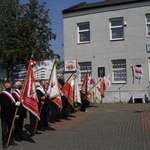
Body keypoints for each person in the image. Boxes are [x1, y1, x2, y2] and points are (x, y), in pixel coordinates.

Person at [0, 81, 20, 149]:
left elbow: (14, 102)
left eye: (10, 86)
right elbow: (5, 104)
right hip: (5, 115)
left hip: (11, 114)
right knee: (4, 130)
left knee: (11, 128)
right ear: (5, 86)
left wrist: (16, 113)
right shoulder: (2, 94)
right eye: (7, 86)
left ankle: (11, 140)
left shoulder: (11, 94)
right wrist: (14, 104)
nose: (9, 87)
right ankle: (4, 142)